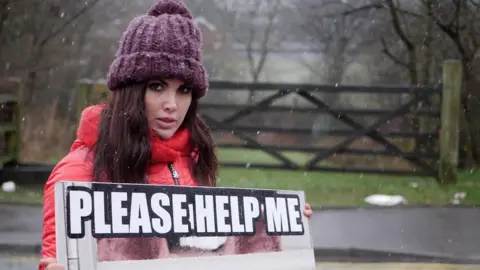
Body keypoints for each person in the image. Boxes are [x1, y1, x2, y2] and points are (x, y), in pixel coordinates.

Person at [39, 0, 313, 269]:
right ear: (130, 91)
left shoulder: (192, 159)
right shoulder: (78, 172)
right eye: (157, 86)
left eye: (184, 90)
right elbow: (58, 257)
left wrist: (282, 224)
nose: (172, 103)